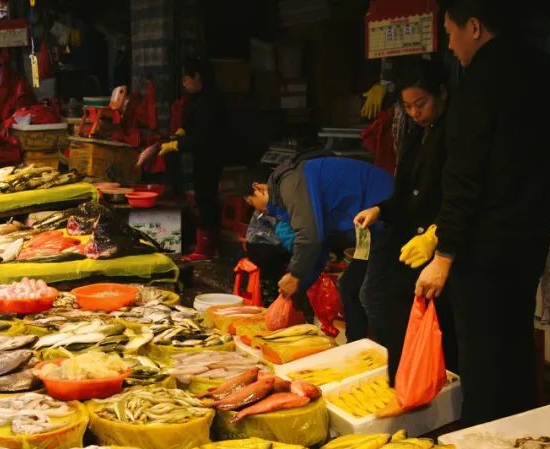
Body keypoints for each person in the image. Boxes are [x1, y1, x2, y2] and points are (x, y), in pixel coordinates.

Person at [401, 0, 550, 424]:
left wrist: (444, 254)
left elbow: (464, 176)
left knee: (482, 357)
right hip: (531, 236)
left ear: (475, 27)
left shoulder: (478, 82)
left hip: (484, 247)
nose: (450, 44)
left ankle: (484, 436)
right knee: (515, 343)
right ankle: (521, 431)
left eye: (451, 32)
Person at [355, 61, 455, 384]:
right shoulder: (416, 133)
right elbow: (404, 191)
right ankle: (405, 377)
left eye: (420, 104)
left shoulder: (455, 133)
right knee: (376, 298)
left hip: (439, 245)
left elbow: (457, 196)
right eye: (407, 106)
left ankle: (425, 381)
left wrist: (436, 236)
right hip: (408, 240)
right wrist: (380, 210)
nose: (414, 113)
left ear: (441, 93)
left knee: (423, 317)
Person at [243, 155, 393, 337]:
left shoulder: (289, 184)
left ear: (258, 188)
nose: (257, 210)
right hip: (370, 231)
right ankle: (355, 346)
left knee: (371, 295)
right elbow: (320, 243)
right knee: (349, 286)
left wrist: (295, 275)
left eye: (251, 203)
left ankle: (391, 352)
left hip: (388, 214)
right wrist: (298, 286)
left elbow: (310, 238)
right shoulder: (287, 194)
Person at [137, 56, 227, 263]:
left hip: (211, 156)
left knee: (205, 197)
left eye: (186, 79)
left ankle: (205, 250)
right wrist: (179, 134)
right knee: (203, 196)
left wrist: (175, 145)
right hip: (201, 156)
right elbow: (191, 127)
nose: (184, 83)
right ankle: (208, 247)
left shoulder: (210, 102)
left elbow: (202, 137)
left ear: (197, 77)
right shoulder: (197, 100)